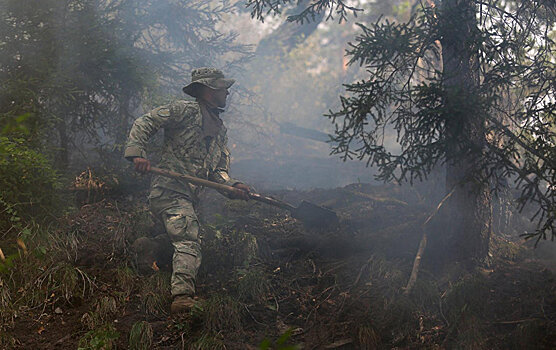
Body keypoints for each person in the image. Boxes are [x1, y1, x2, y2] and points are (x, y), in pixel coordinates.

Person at [124, 67, 250, 314]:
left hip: (188, 198)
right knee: (188, 239)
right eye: (222, 87)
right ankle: (182, 297)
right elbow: (145, 121)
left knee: (191, 238)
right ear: (208, 90)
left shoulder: (219, 130)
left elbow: (218, 172)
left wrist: (232, 186)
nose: (227, 92)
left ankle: (151, 247)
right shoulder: (183, 110)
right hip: (169, 191)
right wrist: (137, 154)